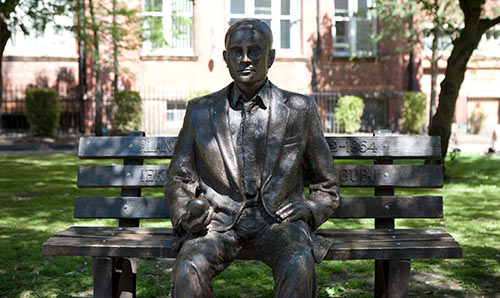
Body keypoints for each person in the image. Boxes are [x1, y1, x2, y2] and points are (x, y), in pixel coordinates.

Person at [164, 18, 339, 298]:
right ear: (226, 58)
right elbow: (178, 179)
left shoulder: (299, 110)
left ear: (270, 57)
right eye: (236, 51)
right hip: (217, 223)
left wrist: (309, 208)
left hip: (278, 224)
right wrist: (187, 213)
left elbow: (326, 185)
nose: (245, 59)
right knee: (189, 264)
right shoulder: (200, 111)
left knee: (298, 260)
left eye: (255, 51)